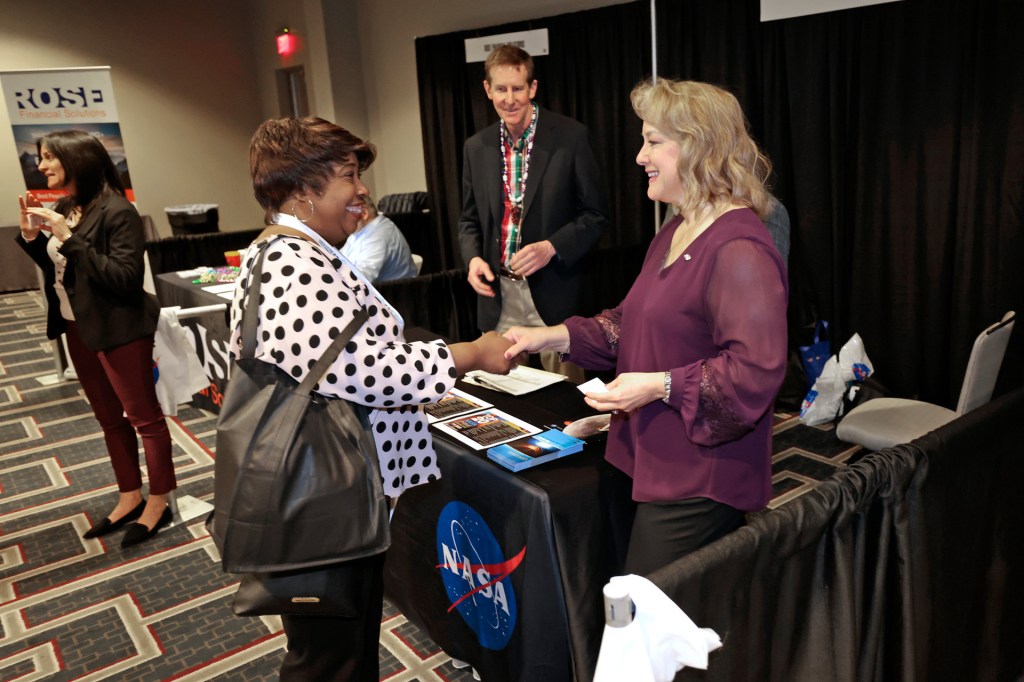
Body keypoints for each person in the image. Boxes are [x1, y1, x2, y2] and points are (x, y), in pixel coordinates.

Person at [240, 116, 518, 681]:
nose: (362, 189)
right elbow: (368, 370)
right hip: (323, 497)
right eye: (347, 175)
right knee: (330, 659)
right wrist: (468, 353)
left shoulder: (299, 252)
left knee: (345, 646)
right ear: (302, 189)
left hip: (331, 489)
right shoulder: (292, 263)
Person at [503, 79, 789, 575]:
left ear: (699, 147)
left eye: (653, 141)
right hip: (652, 451)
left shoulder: (740, 248)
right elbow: (630, 322)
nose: (640, 156)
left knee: (651, 619)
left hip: (702, 473)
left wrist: (659, 386)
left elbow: (753, 375)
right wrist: (551, 336)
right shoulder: (677, 228)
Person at [15, 130, 176, 549]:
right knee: (109, 420)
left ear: (77, 159)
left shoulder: (119, 211)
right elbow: (63, 269)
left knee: (145, 419)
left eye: (49, 157)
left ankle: (159, 500)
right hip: (77, 325)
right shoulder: (70, 206)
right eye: (40, 157)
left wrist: (68, 238)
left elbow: (123, 279)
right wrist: (34, 239)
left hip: (120, 326)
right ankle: (129, 496)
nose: (41, 165)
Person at [458, 44, 609, 376]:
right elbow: (468, 220)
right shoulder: (475, 146)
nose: (509, 99)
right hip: (498, 297)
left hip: (553, 293)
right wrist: (472, 260)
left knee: (563, 402)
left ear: (533, 88)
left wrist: (551, 247)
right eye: (501, 89)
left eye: (517, 88)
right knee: (503, 398)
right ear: (487, 90)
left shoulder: (571, 137)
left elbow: (596, 215)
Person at [340, 193, 418, 282]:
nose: (341, 221)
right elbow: (339, 259)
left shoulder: (380, 235)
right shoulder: (360, 232)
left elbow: (360, 279)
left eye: (345, 215)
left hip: (392, 294)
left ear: (364, 213)